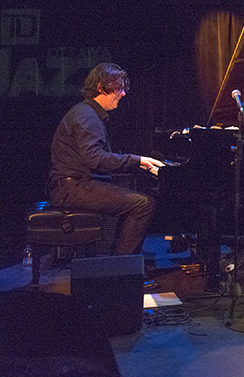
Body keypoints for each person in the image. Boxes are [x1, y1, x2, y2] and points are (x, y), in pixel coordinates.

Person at [48, 63, 165, 255]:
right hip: (71, 189)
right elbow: (95, 159)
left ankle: (116, 260)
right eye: (118, 89)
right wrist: (138, 160)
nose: (123, 94)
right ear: (101, 88)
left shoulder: (86, 113)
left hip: (72, 185)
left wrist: (137, 163)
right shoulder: (87, 117)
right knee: (143, 204)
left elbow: (96, 158)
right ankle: (120, 267)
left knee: (135, 199)